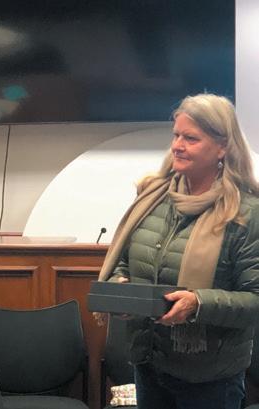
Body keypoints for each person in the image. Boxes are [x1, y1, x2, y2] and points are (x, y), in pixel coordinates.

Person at [96, 93, 259, 409]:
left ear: (222, 147)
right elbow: (124, 264)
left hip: (210, 379)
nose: (177, 146)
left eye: (191, 138)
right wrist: (121, 290)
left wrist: (198, 303)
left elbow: (255, 298)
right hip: (150, 364)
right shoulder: (152, 198)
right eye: (176, 135)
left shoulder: (246, 214)